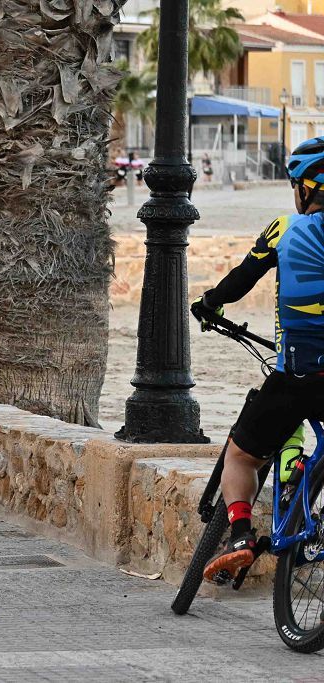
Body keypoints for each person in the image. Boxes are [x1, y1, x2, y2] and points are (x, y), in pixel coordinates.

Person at [193, 137, 324, 583]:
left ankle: (243, 537)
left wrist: (209, 303)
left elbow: (240, 281)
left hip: (297, 374)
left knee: (242, 455)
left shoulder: (283, 230)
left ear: (306, 188)